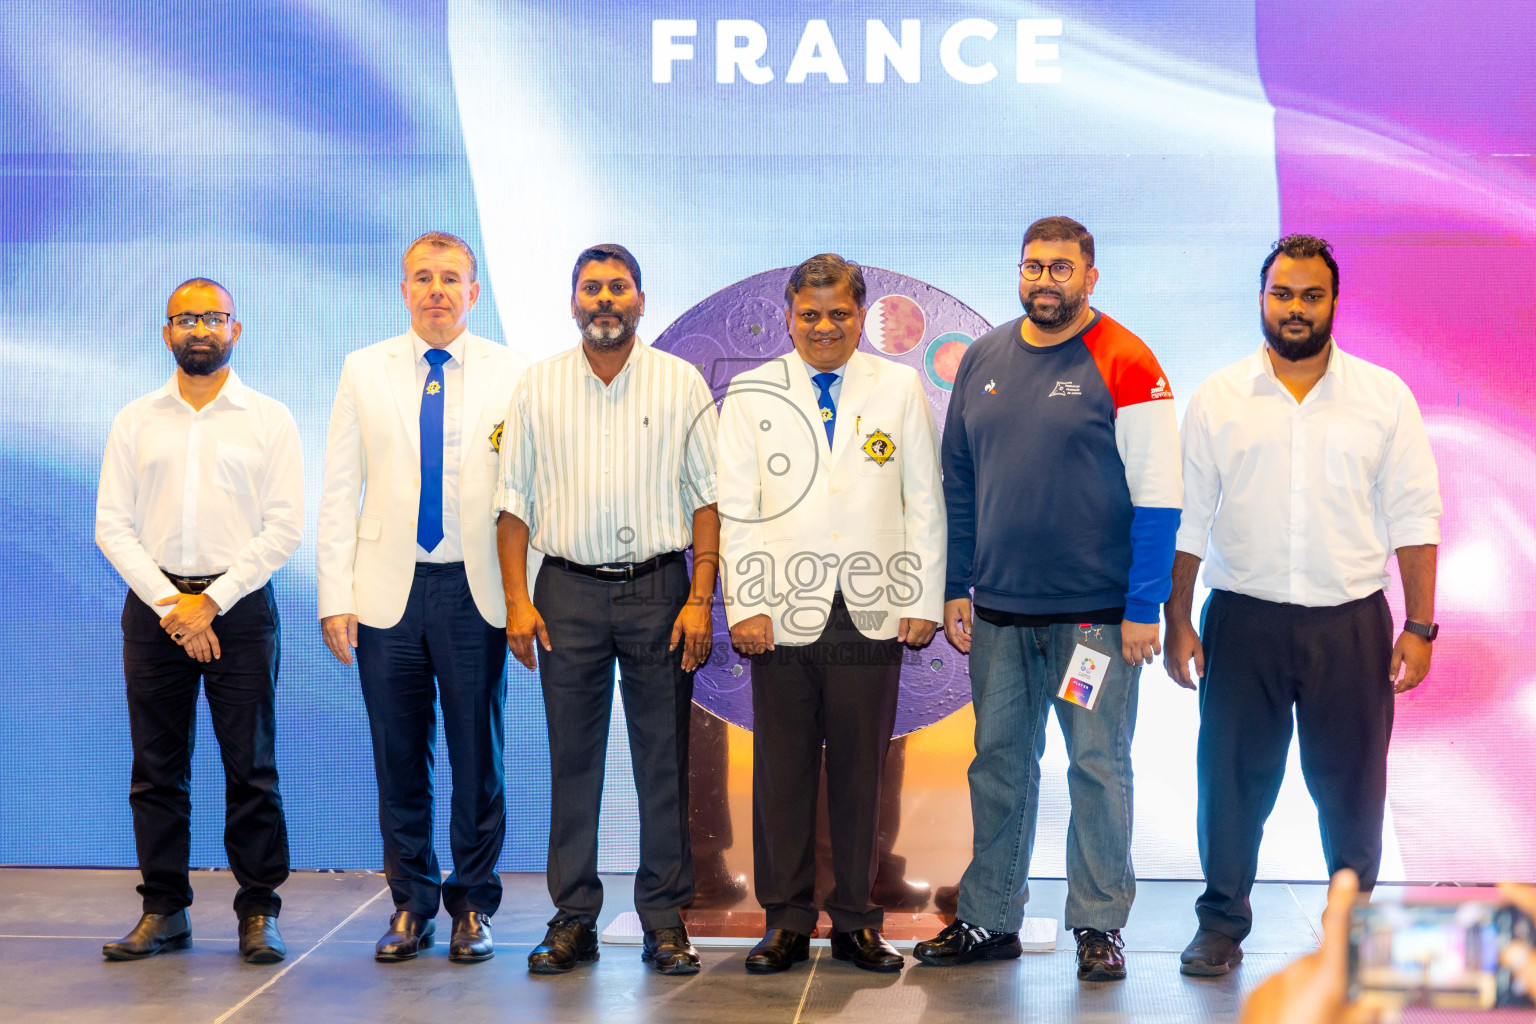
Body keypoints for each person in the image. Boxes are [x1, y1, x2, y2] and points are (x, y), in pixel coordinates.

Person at [1167, 234, 1443, 977]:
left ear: (1333, 303)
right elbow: (1188, 519)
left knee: (1353, 784)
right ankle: (1220, 924)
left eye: (1310, 295)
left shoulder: (1384, 397)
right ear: (1262, 299)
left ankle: (1349, 926)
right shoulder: (1218, 398)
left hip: (1350, 622)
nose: (1295, 308)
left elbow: (1416, 518)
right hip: (1243, 621)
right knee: (1229, 781)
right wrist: (1177, 620)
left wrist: (1419, 626)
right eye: (1282, 293)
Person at [915, 217, 1182, 981]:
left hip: (1093, 624)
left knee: (1096, 766)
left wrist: (1143, 607)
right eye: (1033, 266)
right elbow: (958, 483)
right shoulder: (984, 359)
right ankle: (989, 918)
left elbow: (1160, 497)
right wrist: (953, 587)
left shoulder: (1126, 360)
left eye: (1061, 268)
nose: (1045, 280)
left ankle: (1098, 926)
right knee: (998, 765)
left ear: (1090, 277)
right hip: (998, 617)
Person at [717, 253, 946, 974]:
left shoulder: (899, 386)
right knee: (781, 770)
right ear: (788, 316)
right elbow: (737, 507)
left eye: (838, 314)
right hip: (778, 611)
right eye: (809, 314)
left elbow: (923, 498)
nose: (823, 327)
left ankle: (854, 921)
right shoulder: (751, 392)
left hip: (872, 609)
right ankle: (784, 920)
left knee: (859, 771)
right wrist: (746, 603)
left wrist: (921, 597)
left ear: (860, 316)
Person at [497, 243, 720, 976]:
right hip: (564, 594)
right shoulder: (538, 385)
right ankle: (573, 918)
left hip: (659, 589)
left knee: (662, 760)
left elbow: (707, 500)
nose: (604, 300)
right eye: (590, 289)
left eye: (617, 288)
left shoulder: (681, 382)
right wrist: (516, 604)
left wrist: (699, 598)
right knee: (573, 761)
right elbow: (513, 504)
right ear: (571, 303)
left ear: (641, 300)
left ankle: (664, 919)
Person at [317, 232, 528, 963]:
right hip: (386, 594)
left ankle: (473, 904)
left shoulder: (512, 370)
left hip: (477, 591)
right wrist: (333, 596)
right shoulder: (362, 369)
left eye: (451, 279)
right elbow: (341, 487)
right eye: (423, 278)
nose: (437, 290)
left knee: (478, 755)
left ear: (475, 292)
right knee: (398, 755)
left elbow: (526, 491)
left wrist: (525, 592)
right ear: (402, 289)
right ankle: (411, 904)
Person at [95, 278, 302, 964]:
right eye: (185, 319)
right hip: (154, 608)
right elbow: (112, 528)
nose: (199, 330)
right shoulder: (135, 419)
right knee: (157, 770)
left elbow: (284, 529)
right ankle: (164, 910)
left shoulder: (269, 418)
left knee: (253, 769)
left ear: (234, 330)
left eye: (212, 317)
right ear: (166, 334)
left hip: (239, 611)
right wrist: (173, 608)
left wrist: (211, 602)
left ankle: (258, 912)